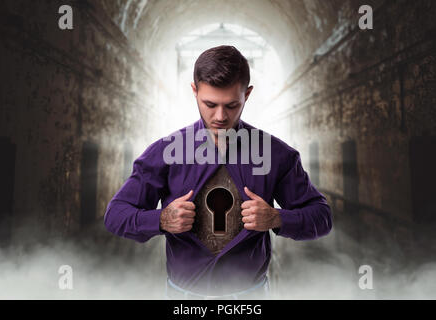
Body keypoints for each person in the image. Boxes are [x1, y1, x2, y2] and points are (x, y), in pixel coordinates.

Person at [104, 45, 333, 299]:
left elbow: (321, 217)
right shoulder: (165, 152)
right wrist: (160, 220)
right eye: (210, 104)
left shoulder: (277, 155)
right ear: (194, 91)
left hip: (250, 298)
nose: (220, 116)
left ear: (248, 94)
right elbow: (115, 215)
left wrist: (277, 218)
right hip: (184, 298)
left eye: (232, 105)